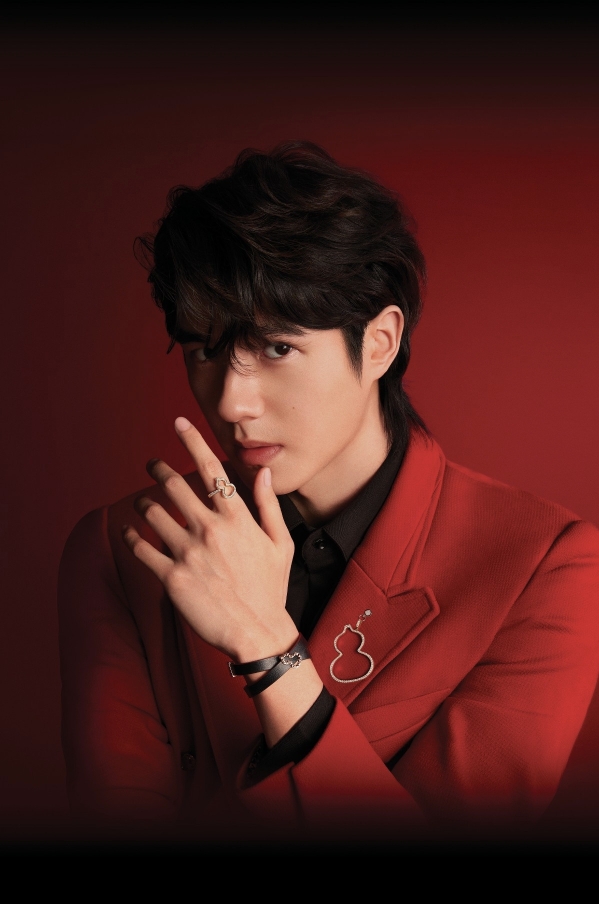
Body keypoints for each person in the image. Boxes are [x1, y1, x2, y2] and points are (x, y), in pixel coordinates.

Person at [58, 141, 599, 844]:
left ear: (379, 343)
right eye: (204, 350)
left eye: (277, 348)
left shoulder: (544, 567)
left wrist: (266, 646)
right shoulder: (122, 549)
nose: (231, 402)